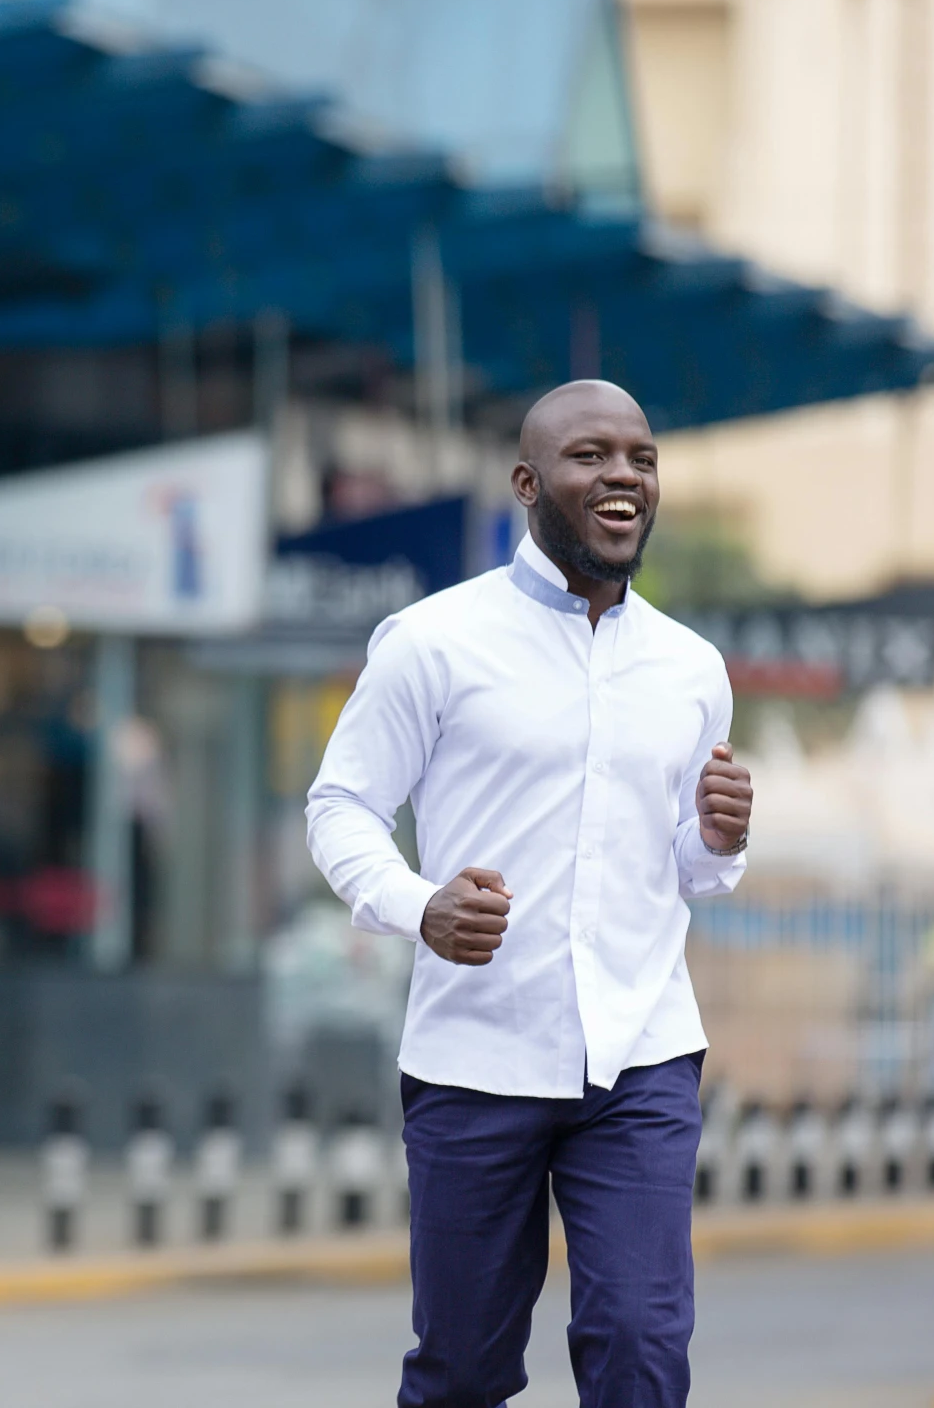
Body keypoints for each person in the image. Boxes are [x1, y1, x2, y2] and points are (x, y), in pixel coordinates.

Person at [307, 380, 754, 1408]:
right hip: (477, 1054)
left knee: (639, 1345)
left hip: (641, 1055)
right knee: (462, 1371)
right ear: (526, 482)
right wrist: (418, 904)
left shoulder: (690, 667)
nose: (622, 476)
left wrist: (717, 837)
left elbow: (684, 870)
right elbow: (338, 807)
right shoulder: (431, 642)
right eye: (589, 455)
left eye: (640, 457)